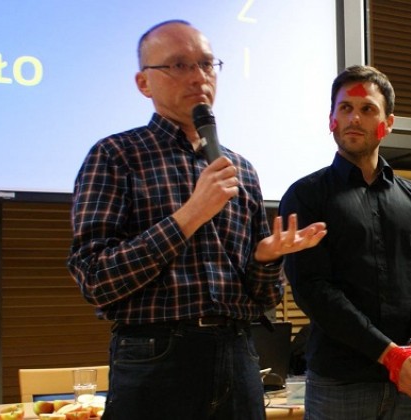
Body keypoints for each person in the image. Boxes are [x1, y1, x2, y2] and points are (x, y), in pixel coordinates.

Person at [66, 20, 326, 420]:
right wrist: (189, 215)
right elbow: (95, 279)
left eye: (206, 64)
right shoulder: (116, 156)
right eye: (179, 65)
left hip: (238, 351)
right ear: (143, 83)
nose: (198, 77)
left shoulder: (240, 169)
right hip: (157, 355)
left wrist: (266, 258)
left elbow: (264, 298)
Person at [278, 65, 411, 419]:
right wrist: (390, 355)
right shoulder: (305, 196)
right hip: (340, 384)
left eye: (367, 109)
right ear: (331, 120)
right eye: (345, 108)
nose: (354, 118)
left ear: (388, 122)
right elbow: (313, 290)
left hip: (410, 379)